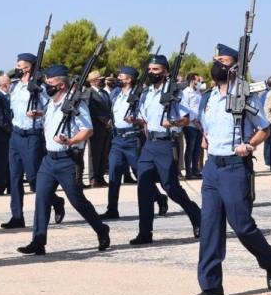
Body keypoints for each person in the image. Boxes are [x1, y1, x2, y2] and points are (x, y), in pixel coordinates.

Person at [193, 44, 271, 295]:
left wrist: (249, 144)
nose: (217, 64)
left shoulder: (245, 97)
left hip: (234, 166)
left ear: (234, 67)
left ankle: (270, 259)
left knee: (242, 226)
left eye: (223, 60)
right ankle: (211, 285)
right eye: (216, 60)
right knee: (209, 226)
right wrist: (205, 138)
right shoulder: (208, 97)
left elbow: (264, 129)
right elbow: (205, 125)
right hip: (212, 167)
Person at [17, 65, 111, 255]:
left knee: (77, 201)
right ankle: (38, 241)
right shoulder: (50, 103)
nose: (46, 86)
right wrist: (39, 115)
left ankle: (101, 229)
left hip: (68, 159)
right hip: (49, 160)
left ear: (61, 85)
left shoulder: (76, 105)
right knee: (41, 198)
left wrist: (71, 141)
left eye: (50, 83)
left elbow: (88, 130)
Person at [130, 54, 201, 245]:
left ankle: (197, 217)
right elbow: (145, 119)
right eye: (150, 69)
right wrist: (135, 120)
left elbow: (187, 118)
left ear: (165, 71)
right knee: (143, 188)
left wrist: (173, 123)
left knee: (171, 188)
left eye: (156, 70)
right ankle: (145, 232)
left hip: (165, 144)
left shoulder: (175, 93)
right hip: (149, 144)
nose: (152, 73)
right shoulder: (146, 93)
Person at [1, 53, 65, 229]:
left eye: (20, 64)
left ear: (29, 67)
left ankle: (56, 201)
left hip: (32, 135)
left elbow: (50, 108)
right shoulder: (15, 87)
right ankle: (17, 216)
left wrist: (40, 114)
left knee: (34, 178)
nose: (17, 67)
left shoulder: (41, 87)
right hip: (16, 135)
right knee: (13, 177)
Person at [101, 66, 167, 220]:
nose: (119, 78)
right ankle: (112, 209)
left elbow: (144, 114)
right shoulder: (116, 94)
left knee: (141, 173)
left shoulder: (139, 95)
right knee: (114, 173)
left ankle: (158, 197)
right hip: (117, 139)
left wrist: (135, 119)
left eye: (121, 76)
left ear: (129, 79)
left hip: (132, 139)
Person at [85, 70, 112, 187]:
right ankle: (93, 178)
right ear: (93, 81)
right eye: (99, 79)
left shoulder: (105, 93)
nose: (102, 81)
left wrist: (110, 120)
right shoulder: (89, 93)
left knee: (104, 153)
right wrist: (103, 120)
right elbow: (90, 110)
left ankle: (100, 177)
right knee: (94, 154)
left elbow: (109, 108)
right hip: (96, 127)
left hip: (107, 128)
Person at [180, 73, 204, 179]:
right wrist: (194, 120)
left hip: (199, 125)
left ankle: (196, 170)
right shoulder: (186, 92)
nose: (199, 82)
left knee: (197, 149)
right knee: (190, 147)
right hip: (190, 125)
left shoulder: (198, 92)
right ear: (192, 80)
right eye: (198, 80)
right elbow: (186, 109)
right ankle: (188, 172)